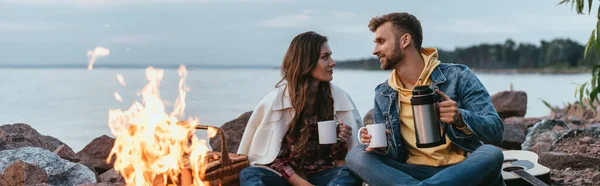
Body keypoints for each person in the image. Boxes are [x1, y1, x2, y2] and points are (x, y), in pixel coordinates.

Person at [345, 12, 505, 186]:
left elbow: (496, 131)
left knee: (491, 153)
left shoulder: (458, 76)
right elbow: (393, 152)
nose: (375, 51)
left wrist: (461, 118)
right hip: (411, 172)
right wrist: (382, 147)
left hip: (461, 169)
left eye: (381, 42)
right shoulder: (384, 92)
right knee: (356, 155)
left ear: (405, 40)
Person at [237, 31, 363, 186]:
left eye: (330, 56)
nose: (332, 62)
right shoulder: (277, 101)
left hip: (320, 176)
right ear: (306, 62)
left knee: (351, 172)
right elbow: (273, 159)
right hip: (285, 178)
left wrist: (341, 139)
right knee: (250, 174)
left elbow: (336, 158)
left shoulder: (335, 100)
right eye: (325, 57)